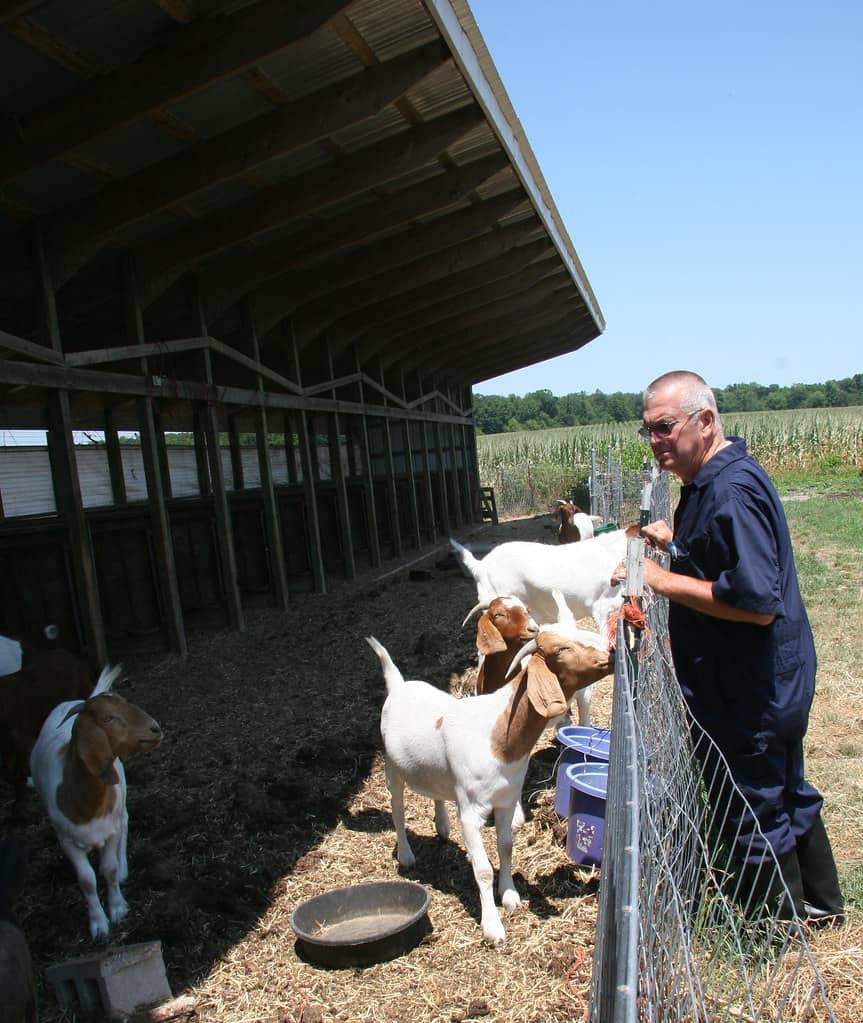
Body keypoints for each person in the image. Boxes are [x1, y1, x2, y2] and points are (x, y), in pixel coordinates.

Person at [613, 370, 843, 925]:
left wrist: (661, 580)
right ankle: (822, 904)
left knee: (751, 802)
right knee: (784, 786)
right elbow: (727, 557)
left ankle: (773, 928)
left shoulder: (729, 491)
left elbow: (757, 600)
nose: (655, 441)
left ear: (705, 420)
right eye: (648, 430)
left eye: (665, 427)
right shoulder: (713, 478)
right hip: (767, 674)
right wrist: (678, 541)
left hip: (750, 682)